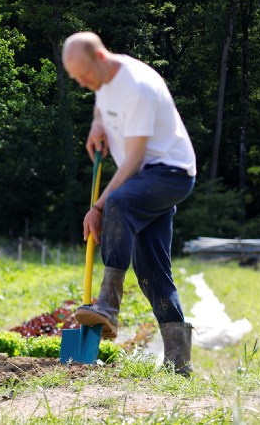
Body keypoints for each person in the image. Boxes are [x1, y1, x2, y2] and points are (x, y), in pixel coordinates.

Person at [62, 32, 197, 376]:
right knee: (152, 272)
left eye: (83, 76)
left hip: (169, 173)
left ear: (101, 58)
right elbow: (101, 99)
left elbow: (134, 161)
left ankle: (107, 304)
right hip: (147, 179)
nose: (82, 83)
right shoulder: (105, 78)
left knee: (117, 202)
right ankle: (179, 364)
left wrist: (98, 207)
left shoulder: (137, 86)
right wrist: (97, 124)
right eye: (76, 78)